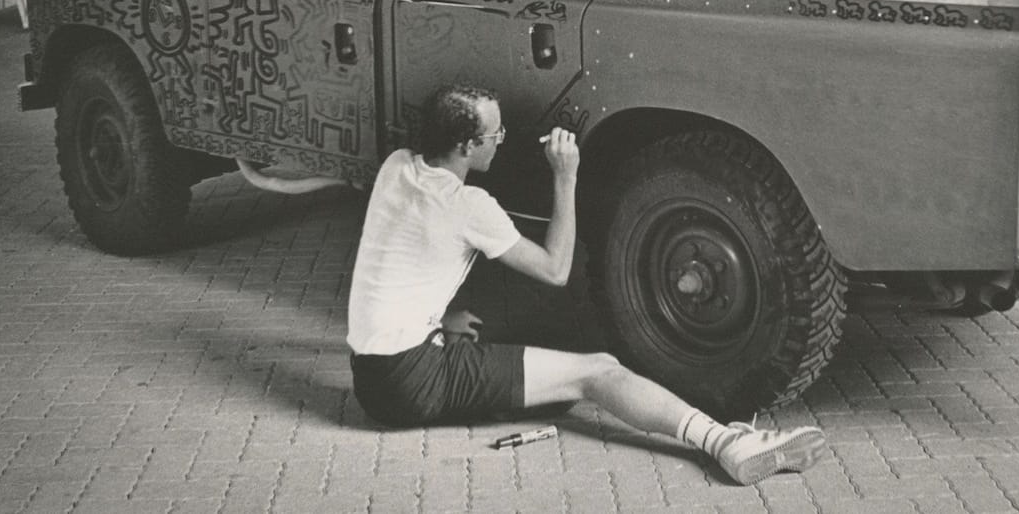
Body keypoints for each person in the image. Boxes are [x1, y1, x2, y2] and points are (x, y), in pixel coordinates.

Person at [346, 84, 828, 485]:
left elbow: (399, 254)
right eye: (495, 134)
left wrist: (435, 318)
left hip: (372, 373)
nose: (502, 140)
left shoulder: (397, 167)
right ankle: (725, 443)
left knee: (552, 366)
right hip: (411, 380)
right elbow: (556, 271)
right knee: (598, 370)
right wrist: (566, 176)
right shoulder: (469, 205)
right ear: (467, 147)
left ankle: (500, 392)